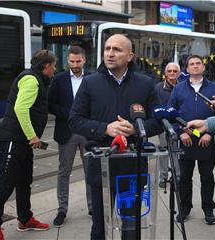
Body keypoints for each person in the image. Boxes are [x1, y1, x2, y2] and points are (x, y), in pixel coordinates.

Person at [69, 34, 162, 240]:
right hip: (101, 169)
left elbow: (158, 122)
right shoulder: (90, 83)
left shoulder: (146, 84)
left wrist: (136, 129)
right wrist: (105, 129)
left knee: (131, 227)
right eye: (107, 48)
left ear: (130, 56)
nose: (110, 53)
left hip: (132, 169)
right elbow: (74, 120)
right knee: (99, 228)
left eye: (117, 49)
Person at [0, 50, 56, 240]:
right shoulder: (31, 79)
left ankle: (25, 219)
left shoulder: (38, 79)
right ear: (46, 66)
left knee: (24, 181)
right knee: (5, 183)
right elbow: (21, 108)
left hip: (23, 142)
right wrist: (33, 137)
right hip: (14, 139)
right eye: (53, 65)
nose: (54, 69)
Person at [168, 55, 215, 225]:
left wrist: (210, 133)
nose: (195, 66)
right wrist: (180, 132)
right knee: (184, 178)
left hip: (206, 140)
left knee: (207, 177)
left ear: (203, 68)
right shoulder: (178, 89)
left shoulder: (214, 88)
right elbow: (171, 113)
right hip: (186, 140)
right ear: (187, 69)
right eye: (192, 64)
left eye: (198, 63)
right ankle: (185, 208)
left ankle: (208, 209)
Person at [48, 46, 93, 227]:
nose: (75, 65)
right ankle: (62, 210)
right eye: (72, 61)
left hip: (87, 132)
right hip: (66, 132)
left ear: (84, 60)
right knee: (63, 172)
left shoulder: (92, 78)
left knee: (91, 172)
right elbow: (50, 104)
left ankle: (92, 207)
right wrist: (70, 113)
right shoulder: (58, 80)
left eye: (78, 61)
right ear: (67, 61)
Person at [155, 62, 180, 188]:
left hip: (179, 126)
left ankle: (177, 176)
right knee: (164, 151)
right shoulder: (158, 88)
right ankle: (163, 177)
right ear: (165, 73)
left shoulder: (182, 87)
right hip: (163, 126)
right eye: (169, 71)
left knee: (175, 151)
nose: (172, 73)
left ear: (179, 73)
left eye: (174, 71)